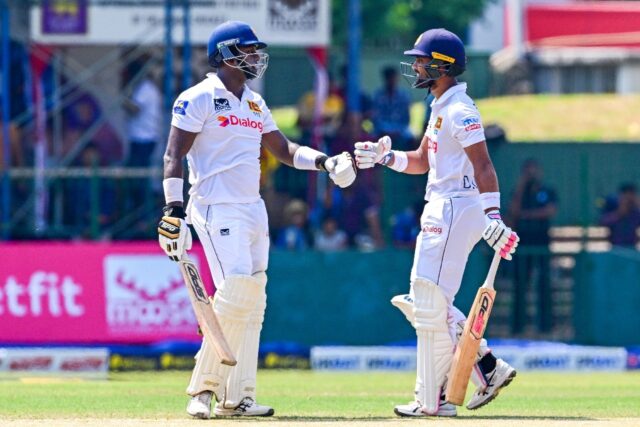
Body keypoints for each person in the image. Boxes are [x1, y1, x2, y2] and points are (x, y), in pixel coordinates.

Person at [157, 21, 356, 419]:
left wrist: (323, 161)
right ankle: (203, 388)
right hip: (215, 205)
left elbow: (283, 150)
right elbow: (173, 156)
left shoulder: (254, 102)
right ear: (226, 54)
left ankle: (238, 397)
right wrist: (172, 211)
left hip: (252, 206)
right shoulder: (198, 97)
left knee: (254, 300)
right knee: (236, 292)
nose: (255, 58)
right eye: (248, 51)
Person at [353, 28, 519, 417]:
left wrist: (493, 214)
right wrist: (384, 157)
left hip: (455, 208)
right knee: (433, 306)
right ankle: (487, 368)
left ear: (442, 66)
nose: (415, 67)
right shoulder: (440, 107)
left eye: (422, 60)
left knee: (428, 303)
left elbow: (484, 166)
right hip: (446, 205)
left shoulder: (460, 110)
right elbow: (422, 161)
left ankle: (431, 401)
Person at [508, 159, 558, 333]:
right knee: (520, 284)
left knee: (544, 284)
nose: (532, 174)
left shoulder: (547, 191)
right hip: (523, 246)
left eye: (534, 170)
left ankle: (546, 325)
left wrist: (526, 215)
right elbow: (513, 212)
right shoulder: (519, 192)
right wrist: (522, 185)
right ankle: (518, 326)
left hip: (542, 244)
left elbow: (550, 211)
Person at [371, 66, 414, 150]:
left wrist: (397, 131)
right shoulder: (377, 95)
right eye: (390, 78)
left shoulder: (404, 96)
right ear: (385, 79)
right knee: (373, 139)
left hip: (400, 129)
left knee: (411, 139)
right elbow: (376, 117)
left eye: (394, 78)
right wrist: (385, 131)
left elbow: (406, 118)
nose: (392, 80)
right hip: (382, 129)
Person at [599, 183, 640, 247]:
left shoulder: (635, 211)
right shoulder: (612, 205)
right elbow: (603, 222)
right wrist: (620, 212)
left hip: (632, 247)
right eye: (626, 195)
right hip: (615, 247)